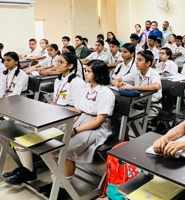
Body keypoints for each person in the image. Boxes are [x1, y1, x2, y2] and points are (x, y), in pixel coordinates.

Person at [1, 53, 86, 186]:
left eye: (60, 62)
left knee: (43, 140)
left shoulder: (77, 83)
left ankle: (60, 184)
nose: (56, 65)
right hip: (55, 114)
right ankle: (28, 169)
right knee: (18, 129)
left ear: (70, 66)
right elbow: (55, 101)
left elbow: (79, 110)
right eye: (57, 62)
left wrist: (59, 119)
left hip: (67, 119)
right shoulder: (59, 79)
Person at [60, 60, 115, 181]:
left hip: (96, 127)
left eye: (89, 71)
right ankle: (58, 179)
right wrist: (67, 124)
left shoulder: (106, 93)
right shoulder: (86, 88)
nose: (85, 73)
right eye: (85, 70)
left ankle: (64, 185)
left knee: (66, 149)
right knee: (54, 142)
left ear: (98, 74)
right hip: (81, 120)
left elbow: (99, 121)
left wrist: (75, 130)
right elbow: (77, 110)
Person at [116, 50, 162, 121]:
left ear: (148, 63)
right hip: (137, 104)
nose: (136, 62)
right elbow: (117, 80)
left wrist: (131, 87)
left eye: (140, 60)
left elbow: (156, 86)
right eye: (136, 59)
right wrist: (118, 84)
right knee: (120, 114)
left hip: (152, 106)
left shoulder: (153, 73)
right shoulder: (137, 72)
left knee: (133, 120)